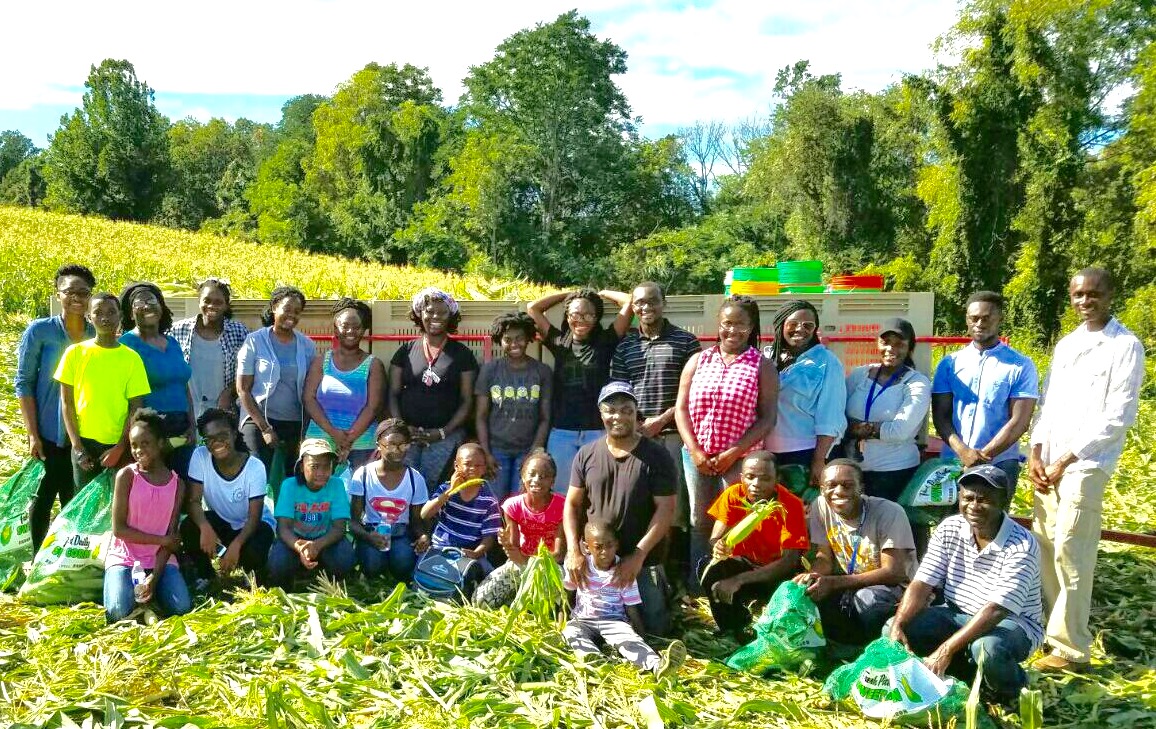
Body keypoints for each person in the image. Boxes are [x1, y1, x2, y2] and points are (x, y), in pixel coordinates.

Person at [1028, 268, 1146, 672]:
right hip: (1050, 464)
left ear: (1111, 295)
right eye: (1078, 294)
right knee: (1044, 547)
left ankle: (1072, 648)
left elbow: (1117, 417)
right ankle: (1043, 633)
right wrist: (1037, 453)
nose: (1085, 301)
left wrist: (1065, 459)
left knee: (1071, 552)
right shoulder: (1067, 345)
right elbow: (1048, 405)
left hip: (1086, 464)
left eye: (1094, 294)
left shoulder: (1125, 346)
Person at [887, 465, 1043, 704]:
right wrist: (899, 623)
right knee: (893, 629)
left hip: (1011, 623)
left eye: (984, 500)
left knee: (987, 649)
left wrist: (946, 649)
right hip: (955, 613)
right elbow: (922, 583)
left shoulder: (1022, 544)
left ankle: (1012, 690)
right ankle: (962, 677)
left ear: (1004, 501)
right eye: (967, 498)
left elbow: (997, 609)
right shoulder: (950, 528)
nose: (974, 506)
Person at [674, 296, 778, 584]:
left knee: (735, 522)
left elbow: (767, 418)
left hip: (740, 460)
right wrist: (695, 451)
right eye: (727, 324)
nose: (732, 330)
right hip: (698, 457)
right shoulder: (698, 360)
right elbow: (681, 408)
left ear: (752, 327)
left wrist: (733, 453)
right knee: (699, 522)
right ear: (718, 325)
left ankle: (729, 583)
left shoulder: (762, 366)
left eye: (740, 324)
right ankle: (699, 586)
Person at [564, 382, 677, 635]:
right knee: (579, 623)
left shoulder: (657, 456)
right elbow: (572, 504)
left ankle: (666, 592)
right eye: (611, 410)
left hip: (641, 560)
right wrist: (573, 549)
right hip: (596, 560)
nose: (618, 416)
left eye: (626, 410)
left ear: (637, 414)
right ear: (601, 414)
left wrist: (638, 556)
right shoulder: (586, 454)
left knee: (655, 630)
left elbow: (665, 510)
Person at [610, 282, 701, 582]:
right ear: (633, 307)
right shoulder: (625, 346)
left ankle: (670, 577)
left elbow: (693, 393)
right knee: (639, 503)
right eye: (639, 303)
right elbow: (619, 392)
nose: (646, 308)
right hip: (635, 437)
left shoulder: (686, 342)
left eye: (652, 302)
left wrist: (661, 420)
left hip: (673, 435)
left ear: (664, 302)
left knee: (673, 510)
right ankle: (642, 573)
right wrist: (636, 425)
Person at [16, 263, 95, 551]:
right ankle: (38, 557)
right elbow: (24, 383)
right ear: (57, 294)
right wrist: (32, 434)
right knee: (44, 497)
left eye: (83, 292)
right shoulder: (40, 332)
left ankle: (64, 560)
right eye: (69, 291)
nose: (77, 298)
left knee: (74, 500)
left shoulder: (96, 334)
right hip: (48, 432)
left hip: (83, 434)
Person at [794, 459, 915, 644]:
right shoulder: (820, 506)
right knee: (807, 592)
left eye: (848, 486)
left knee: (867, 599)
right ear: (821, 489)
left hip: (896, 588)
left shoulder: (889, 512)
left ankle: (878, 646)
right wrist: (811, 576)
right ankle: (849, 644)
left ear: (861, 488)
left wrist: (834, 583)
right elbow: (824, 558)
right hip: (850, 582)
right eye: (831, 486)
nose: (839, 492)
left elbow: (894, 573)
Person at [932, 291, 1038, 493]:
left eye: (986, 318)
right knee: (950, 522)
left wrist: (982, 456)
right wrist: (963, 452)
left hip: (1000, 463)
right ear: (967, 320)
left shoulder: (1020, 365)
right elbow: (940, 416)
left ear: (1000, 319)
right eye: (974, 318)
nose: (979, 323)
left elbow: (1020, 421)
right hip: (953, 461)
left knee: (992, 523)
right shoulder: (949, 364)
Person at [528, 288, 632, 492]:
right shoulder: (559, 342)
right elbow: (534, 308)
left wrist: (602, 293)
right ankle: (565, 526)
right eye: (575, 314)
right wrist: (569, 294)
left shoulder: (605, 341)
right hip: (562, 431)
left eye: (588, 315)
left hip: (597, 430)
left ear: (597, 318)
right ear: (567, 316)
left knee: (598, 490)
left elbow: (629, 302)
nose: (581, 320)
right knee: (561, 491)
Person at [562, 520, 687, 679]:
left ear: (617, 545)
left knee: (629, 641)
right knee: (572, 632)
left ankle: (658, 666)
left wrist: (641, 636)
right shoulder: (580, 566)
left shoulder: (624, 570)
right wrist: (565, 618)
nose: (605, 552)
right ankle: (593, 659)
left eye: (609, 546)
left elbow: (631, 607)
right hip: (583, 620)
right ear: (587, 547)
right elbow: (568, 594)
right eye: (598, 547)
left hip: (614, 622)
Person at [701, 451, 808, 636]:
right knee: (709, 568)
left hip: (777, 573)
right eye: (750, 477)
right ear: (742, 477)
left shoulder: (791, 504)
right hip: (747, 564)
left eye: (765, 478)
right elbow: (715, 537)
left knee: (793, 591)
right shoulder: (733, 495)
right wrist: (718, 545)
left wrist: (738, 580)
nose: (756, 484)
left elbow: (789, 562)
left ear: (777, 479)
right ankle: (734, 627)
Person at [104, 409, 191, 623]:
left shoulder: (177, 484)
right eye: (134, 445)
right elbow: (119, 530)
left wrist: (154, 577)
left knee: (181, 607)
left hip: (160, 559)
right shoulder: (126, 476)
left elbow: (171, 538)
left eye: (145, 444)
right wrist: (161, 540)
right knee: (117, 611)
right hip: (125, 558)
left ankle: (148, 595)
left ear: (161, 443)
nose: (138, 450)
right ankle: (129, 593)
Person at [56, 294, 151, 490]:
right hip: (84, 446)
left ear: (120, 316)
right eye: (98, 313)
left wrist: (120, 447)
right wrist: (78, 448)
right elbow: (67, 404)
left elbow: (135, 407)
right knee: (84, 510)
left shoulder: (132, 359)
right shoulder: (74, 353)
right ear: (89, 317)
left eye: (111, 312)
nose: (105, 318)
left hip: (120, 445)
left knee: (117, 508)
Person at [389, 288, 479, 488]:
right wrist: (402, 427)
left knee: (431, 485)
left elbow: (467, 401)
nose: (435, 317)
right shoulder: (404, 351)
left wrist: (443, 432)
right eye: (429, 311)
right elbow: (393, 394)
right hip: (408, 434)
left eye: (442, 312)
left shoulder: (462, 355)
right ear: (420, 313)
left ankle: (428, 520)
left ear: (451, 316)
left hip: (446, 434)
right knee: (406, 483)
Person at [180, 408, 275, 588]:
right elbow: (193, 501)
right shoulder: (200, 456)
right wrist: (205, 528)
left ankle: (253, 575)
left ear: (233, 433)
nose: (217, 442)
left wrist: (236, 546)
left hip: (254, 525)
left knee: (253, 550)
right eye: (210, 438)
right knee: (188, 527)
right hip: (224, 521)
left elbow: (254, 519)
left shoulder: (255, 467)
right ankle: (206, 576)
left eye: (222, 435)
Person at [843, 318, 932, 501]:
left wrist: (857, 428)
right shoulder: (860, 374)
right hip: (853, 471)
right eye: (885, 342)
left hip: (894, 473)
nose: (890, 349)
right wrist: (853, 427)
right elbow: (836, 413)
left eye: (899, 344)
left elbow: (899, 431)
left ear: (910, 348)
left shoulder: (916, 383)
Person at [764, 300, 847, 487]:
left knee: (800, 513)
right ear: (780, 325)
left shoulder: (827, 362)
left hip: (804, 452)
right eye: (793, 324)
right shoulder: (765, 358)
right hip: (765, 452)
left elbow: (830, 415)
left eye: (808, 325)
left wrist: (819, 460)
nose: (800, 329)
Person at [118, 282, 196, 478]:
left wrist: (192, 425)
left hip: (181, 427)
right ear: (130, 313)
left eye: (152, 300)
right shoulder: (126, 344)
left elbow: (184, 386)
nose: (147, 306)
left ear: (162, 307)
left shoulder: (173, 343)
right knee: (155, 486)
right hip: (150, 430)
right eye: (139, 303)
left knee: (182, 487)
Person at [475, 312, 553, 502]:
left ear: (528, 338)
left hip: (527, 449)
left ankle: (516, 534)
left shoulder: (542, 371)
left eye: (519, 338)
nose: (514, 344)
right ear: (499, 341)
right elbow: (480, 416)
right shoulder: (490, 370)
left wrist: (534, 451)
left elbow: (545, 417)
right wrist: (486, 452)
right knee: (494, 503)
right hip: (496, 450)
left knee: (521, 503)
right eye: (507, 339)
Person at [237, 286, 316, 472]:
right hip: (258, 419)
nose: (292, 316)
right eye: (287, 309)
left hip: (294, 423)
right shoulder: (254, 341)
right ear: (274, 307)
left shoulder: (307, 345)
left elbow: (310, 390)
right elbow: (243, 390)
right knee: (256, 471)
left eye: (297, 312)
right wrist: (265, 429)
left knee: (293, 477)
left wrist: (305, 431)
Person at [474, 452, 565, 608]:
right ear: (523, 476)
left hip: (550, 568)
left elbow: (558, 554)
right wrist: (506, 544)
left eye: (543, 476)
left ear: (552, 481)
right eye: (532, 474)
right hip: (519, 562)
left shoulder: (562, 506)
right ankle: (516, 597)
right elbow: (514, 547)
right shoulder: (513, 505)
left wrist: (527, 561)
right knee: (481, 601)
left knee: (544, 606)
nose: (536, 480)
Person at [304, 299, 385, 470]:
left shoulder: (374, 365)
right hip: (320, 443)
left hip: (361, 445)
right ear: (335, 329)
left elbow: (373, 407)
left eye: (357, 327)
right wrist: (334, 434)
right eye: (345, 326)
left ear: (364, 330)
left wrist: (348, 441)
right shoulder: (320, 361)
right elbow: (309, 399)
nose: (351, 331)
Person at [348, 420, 431, 582]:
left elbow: (416, 521)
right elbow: (353, 521)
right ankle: (371, 571)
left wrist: (423, 536)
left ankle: (394, 570)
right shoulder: (363, 475)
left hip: (401, 533)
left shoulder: (415, 479)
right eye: (391, 445)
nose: (398, 451)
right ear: (379, 445)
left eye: (403, 445)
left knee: (403, 563)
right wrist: (367, 536)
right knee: (372, 563)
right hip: (371, 531)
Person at [267, 438, 356, 589]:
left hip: (326, 541)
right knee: (278, 562)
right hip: (295, 541)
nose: (321, 473)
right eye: (314, 467)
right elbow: (284, 528)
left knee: (345, 558)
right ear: (301, 466)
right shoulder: (289, 486)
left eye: (326, 466)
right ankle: (291, 580)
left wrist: (316, 546)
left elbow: (339, 528)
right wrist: (299, 547)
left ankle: (326, 578)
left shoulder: (336, 485)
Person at [170, 278, 250, 417]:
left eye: (218, 302)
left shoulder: (239, 332)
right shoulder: (178, 330)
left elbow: (248, 371)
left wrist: (229, 392)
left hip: (222, 412)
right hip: (186, 411)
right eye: (207, 301)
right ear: (199, 301)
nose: (212, 306)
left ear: (226, 305)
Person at [420, 443, 501, 572]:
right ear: (456, 466)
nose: (473, 469)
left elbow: (489, 537)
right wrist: (448, 493)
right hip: (441, 547)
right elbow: (425, 514)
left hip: (470, 553)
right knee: (425, 571)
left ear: (484, 469)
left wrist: (476, 553)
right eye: (467, 464)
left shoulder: (489, 500)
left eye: (478, 465)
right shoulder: (445, 489)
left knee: (487, 574)